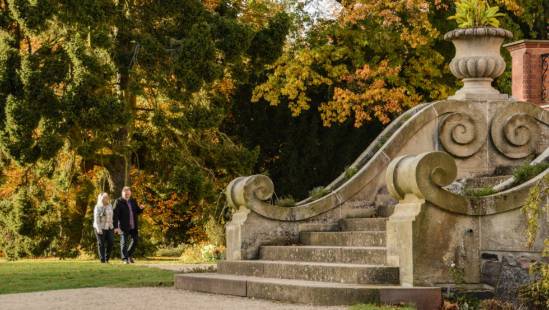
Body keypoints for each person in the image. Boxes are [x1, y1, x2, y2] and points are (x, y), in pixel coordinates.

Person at [113, 186, 145, 264]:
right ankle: (125, 259)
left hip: (133, 225)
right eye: (125, 192)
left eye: (128, 192)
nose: (127, 194)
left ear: (130, 193)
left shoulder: (133, 201)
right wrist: (116, 227)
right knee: (124, 242)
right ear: (122, 193)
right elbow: (115, 215)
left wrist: (141, 208)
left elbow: (137, 212)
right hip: (123, 226)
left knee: (135, 240)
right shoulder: (118, 201)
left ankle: (129, 255)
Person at [93, 192, 114, 263]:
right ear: (101, 198)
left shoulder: (110, 205)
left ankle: (107, 258)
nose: (107, 198)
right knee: (101, 243)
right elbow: (96, 219)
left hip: (109, 227)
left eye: (107, 196)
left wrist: (113, 226)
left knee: (111, 242)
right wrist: (99, 229)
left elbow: (111, 217)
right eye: (105, 197)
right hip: (100, 227)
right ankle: (102, 260)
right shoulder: (97, 207)